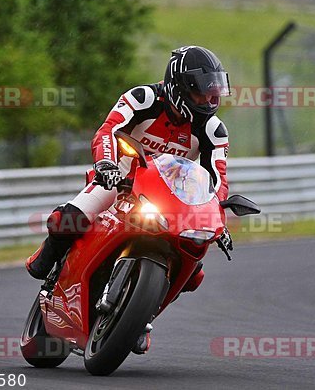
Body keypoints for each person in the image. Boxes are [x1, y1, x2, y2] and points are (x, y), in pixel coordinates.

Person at [25, 45, 231, 353]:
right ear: (179, 86)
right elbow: (108, 130)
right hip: (120, 181)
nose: (209, 100)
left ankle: (141, 317)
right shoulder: (142, 99)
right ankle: (48, 265)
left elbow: (217, 179)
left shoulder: (213, 131)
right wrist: (106, 163)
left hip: (175, 201)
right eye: (201, 92)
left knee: (194, 272)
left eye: (213, 92)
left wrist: (218, 218)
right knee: (68, 219)